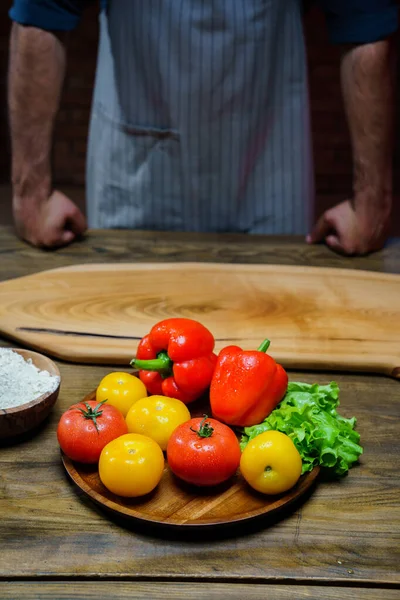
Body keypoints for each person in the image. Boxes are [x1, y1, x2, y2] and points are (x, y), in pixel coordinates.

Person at [8, 1, 397, 254]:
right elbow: (41, 13)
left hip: (267, 167)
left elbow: (364, 20)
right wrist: (30, 193)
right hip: (137, 168)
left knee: (272, 353)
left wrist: (372, 199)